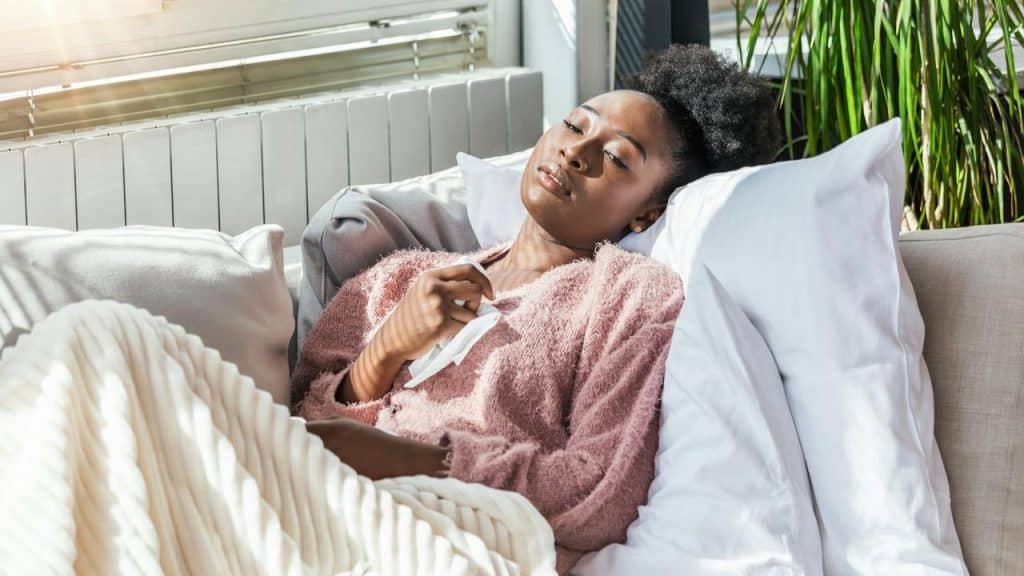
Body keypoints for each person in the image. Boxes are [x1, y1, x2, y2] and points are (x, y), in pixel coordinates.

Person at [293, 44, 781, 573]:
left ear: (647, 214)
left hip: (441, 545)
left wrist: (416, 463)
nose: (577, 154)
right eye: (575, 126)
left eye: (616, 158)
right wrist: (382, 354)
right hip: (306, 508)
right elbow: (297, 416)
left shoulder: (627, 298)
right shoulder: (401, 277)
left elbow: (600, 493)